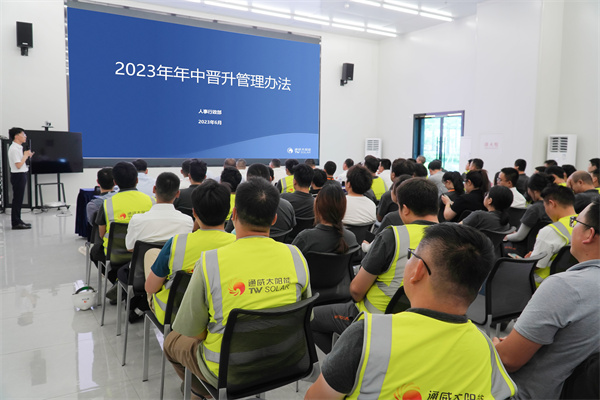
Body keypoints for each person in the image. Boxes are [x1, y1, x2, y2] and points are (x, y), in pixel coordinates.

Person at [306, 223, 516, 400]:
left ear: (418, 270)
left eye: (411, 256)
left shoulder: (366, 336)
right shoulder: (486, 349)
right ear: (477, 287)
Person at [163, 178, 311, 398]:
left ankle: (201, 391)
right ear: (274, 218)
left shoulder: (210, 262)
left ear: (233, 215)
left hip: (226, 371)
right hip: (286, 361)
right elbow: (305, 317)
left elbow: (195, 331)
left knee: (171, 342)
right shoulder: (296, 256)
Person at [311, 178, 438, 353]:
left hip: (374, 319)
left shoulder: (393, 236)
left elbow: (356, 291)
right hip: (426, 326)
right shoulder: (454, 239)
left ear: (405, 209)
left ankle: (349, 363)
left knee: (311, 318)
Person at [494, 198, 600, 400]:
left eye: (576, 222)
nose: (573, 227)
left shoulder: (565, 287)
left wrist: (496, 346)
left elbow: (508, 360)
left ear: (589, 234)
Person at [145, 180, 236, 324]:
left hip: (175, 316)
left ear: (194, 212)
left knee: (151, 255)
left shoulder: (176, 243)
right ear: (228, 213)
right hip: (219, 315)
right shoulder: (237, 243)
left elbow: (150, 287)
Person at [116, 172, 193, 320]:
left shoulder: (138, 220)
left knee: (121, 272)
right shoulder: (187, 221)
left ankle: (139, 303)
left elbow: (130, 247)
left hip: (140, 278)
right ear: (178, 193)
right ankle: (142, 305)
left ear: (154, 190)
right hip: (175, 280)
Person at [95, 161, 155, 284]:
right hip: (146, 254)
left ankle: (118, 282)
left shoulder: (107, 204)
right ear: (137, 180)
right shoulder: (152, 201)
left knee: (95, 251)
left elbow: (101, 234)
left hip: (116, 256)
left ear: (115, 182)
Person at [527, 184, 577, 286]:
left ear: (551, 203)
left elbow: (535, 265)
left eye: (545, 207)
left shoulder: (550, 231)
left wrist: (527, 260)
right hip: (577, 282)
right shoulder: (587, 224)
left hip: (546, 285)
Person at [292, 183, 358, 254]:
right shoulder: (351, 239)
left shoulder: (305, 238)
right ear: (343, 208)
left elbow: (290, 258)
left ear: (317, 206)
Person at [504, 173, 553, 254]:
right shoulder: (553, 206)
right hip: (542, 249)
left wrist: (505, 237)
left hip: (525, 249)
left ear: (535, 191)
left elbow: (519, 236)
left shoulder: (534, 209)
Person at [8, 127, 34, 230]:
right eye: (23, 134)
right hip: (18, 175)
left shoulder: (19, 147)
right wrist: (25, 156)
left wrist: (26, 156)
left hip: (21, 174)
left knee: (19, 199)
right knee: (17, 200)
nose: (25, 136)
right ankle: (15, 223)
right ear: (16, 136)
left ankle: (18, 220)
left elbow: (21, 162)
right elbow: (18, 165)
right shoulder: (14, 149)